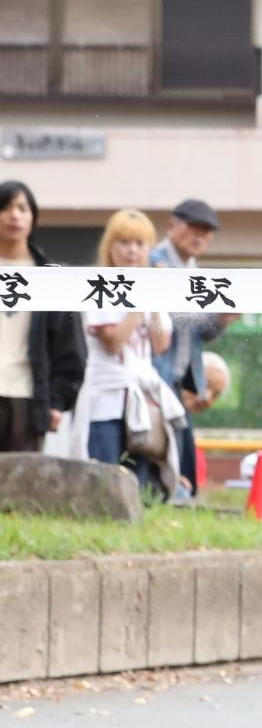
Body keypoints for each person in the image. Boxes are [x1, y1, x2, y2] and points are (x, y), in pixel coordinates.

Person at [82, 210, 179, 497]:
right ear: (110, 247)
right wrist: (141, 302)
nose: (132, 250)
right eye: (124, 242)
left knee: (139, 478)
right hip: (106, 397)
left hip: (142, 400)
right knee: (106, 478)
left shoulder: (151, 289)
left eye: (139, 243)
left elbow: (161, 345)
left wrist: (156, 297)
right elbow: (112, 341)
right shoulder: (98, 285)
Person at [148, 198, 236, 496]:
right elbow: (167, 317)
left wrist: (223, 319)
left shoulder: (193, 269)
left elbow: (199, 332)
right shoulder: (154, 262)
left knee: (177, 445)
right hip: (153, 373)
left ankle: (176, 499)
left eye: (206, 231)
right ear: (173, 225)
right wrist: (214, 308)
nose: (199, 237)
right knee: (160, 444)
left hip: (179, 375)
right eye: (193, 228)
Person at [0, 180, 85, 454]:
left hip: (27, 397)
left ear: (33, 218)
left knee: (21, 489)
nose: (15, 216)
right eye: (6, 208)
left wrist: (58, 400)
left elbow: (69, 345)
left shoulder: (50, 277)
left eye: (23, 208)